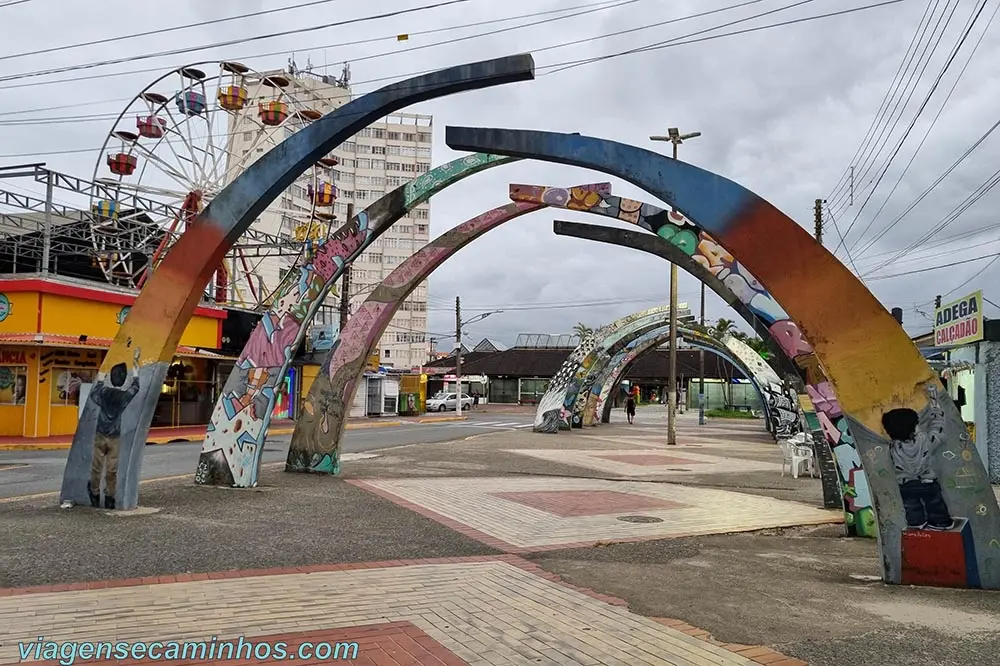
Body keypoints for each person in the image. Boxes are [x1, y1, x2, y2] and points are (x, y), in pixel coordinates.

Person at [881, 383, 953, 531]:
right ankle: (940, 523)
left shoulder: (893, 448)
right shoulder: (926, 442)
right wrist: (933, 399)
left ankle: (916, 523)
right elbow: (938, 425)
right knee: (935, 504)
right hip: (928, 482)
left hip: (906, 485)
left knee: (911, 507)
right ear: (914, 427)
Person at [88, 348, 141, 510]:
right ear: (123, 379)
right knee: (112, 470)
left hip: (100, 434)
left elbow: (94, 394)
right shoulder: (123, 397)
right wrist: (136, 368)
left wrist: (101, 378)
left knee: (97, 467)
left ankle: (94, 493)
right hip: (115, 437)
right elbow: (135, 387)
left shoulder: (103, 393)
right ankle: (110, 496)